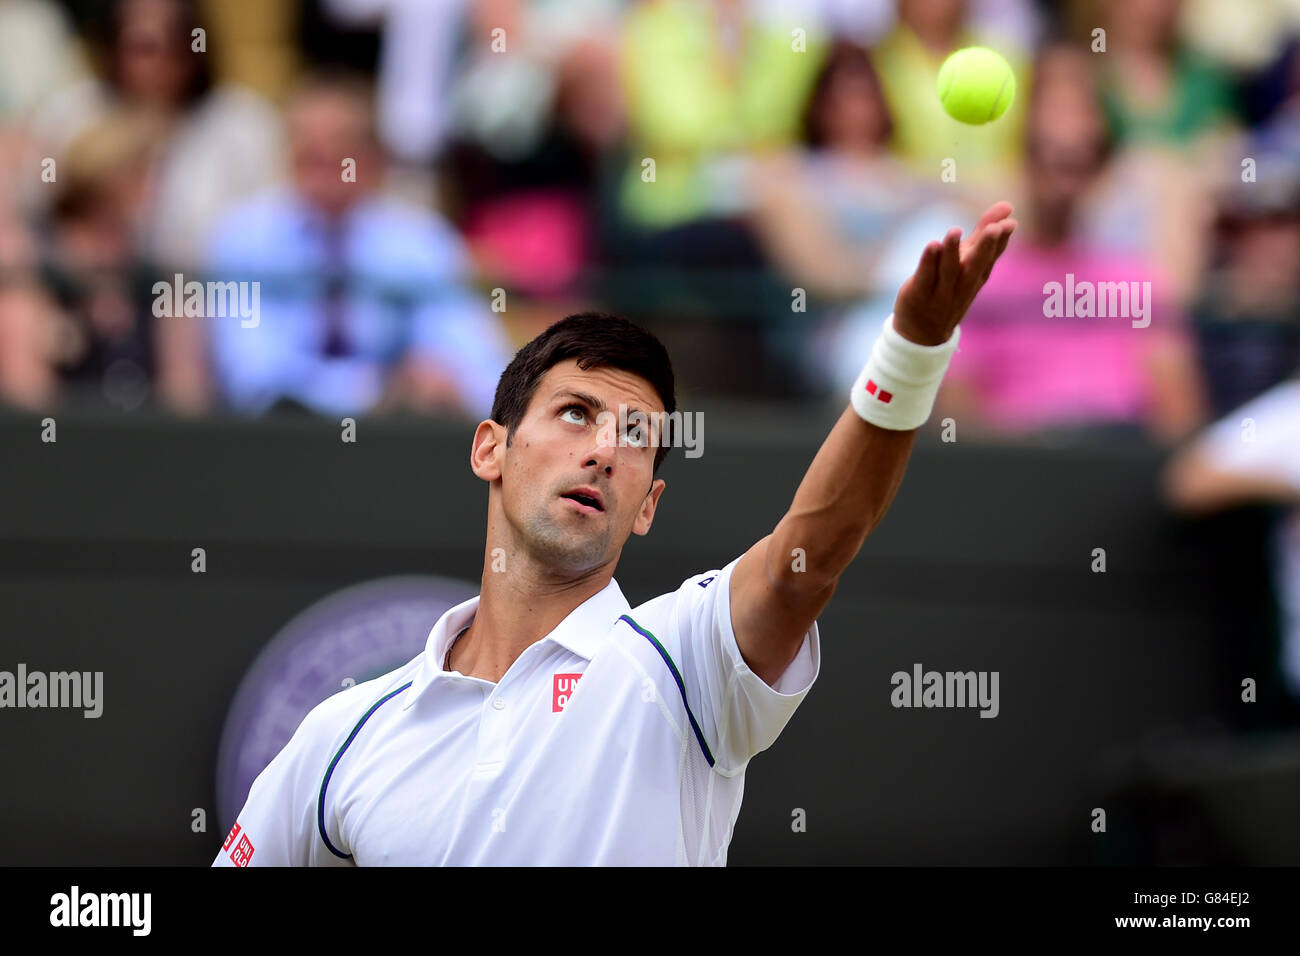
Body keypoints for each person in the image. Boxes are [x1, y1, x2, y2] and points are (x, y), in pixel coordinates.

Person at [212, 201, 1018, 866]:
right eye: (574, 415)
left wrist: (911, 352)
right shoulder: (347, 733)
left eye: (635, 436)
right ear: (490, 447)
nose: (603, 449)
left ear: (648, 504)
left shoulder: (680, 661)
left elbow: (803, 565)